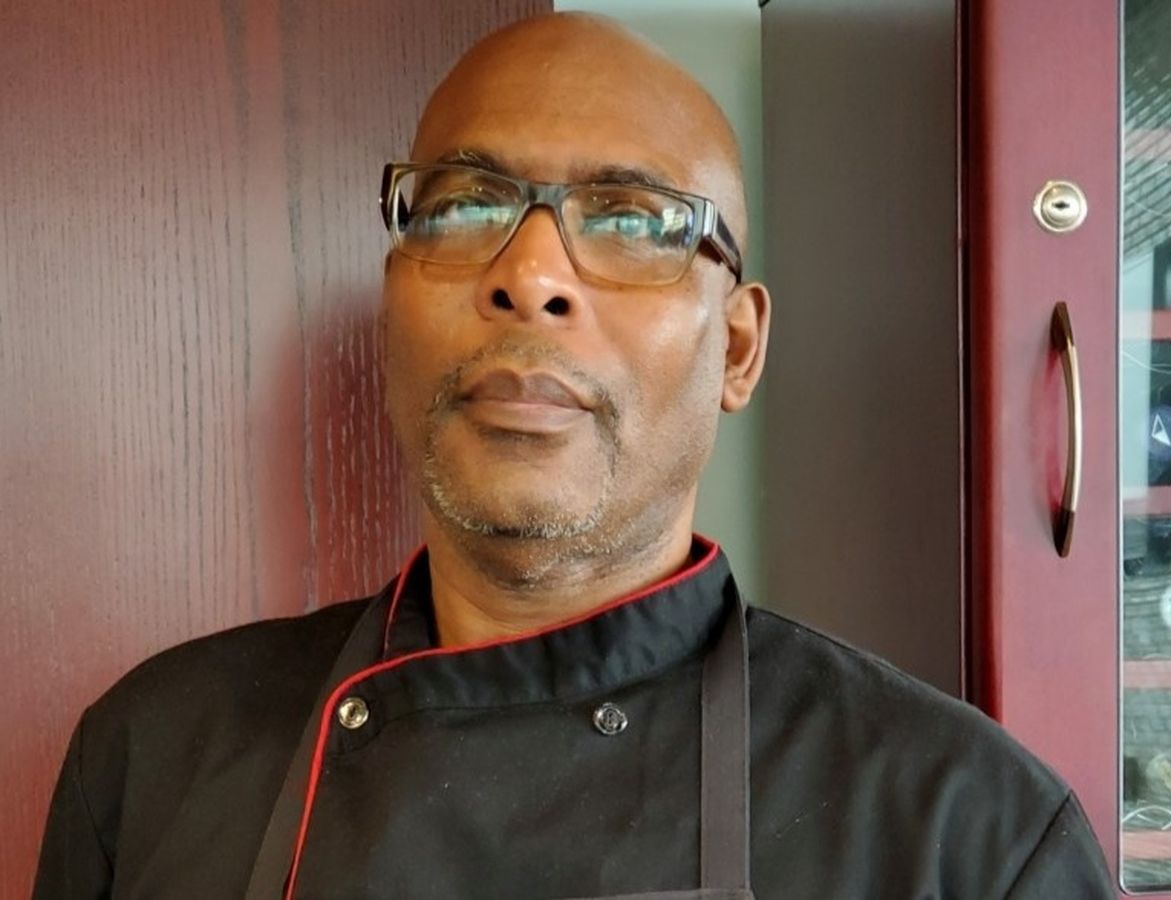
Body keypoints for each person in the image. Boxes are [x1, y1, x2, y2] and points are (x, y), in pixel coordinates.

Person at [33, 12, 1111, 900]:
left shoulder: (974, 839)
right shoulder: (149, 756)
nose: (532, 275)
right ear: (391, 311)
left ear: (737, 348)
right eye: (466, 205)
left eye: (633, 221)